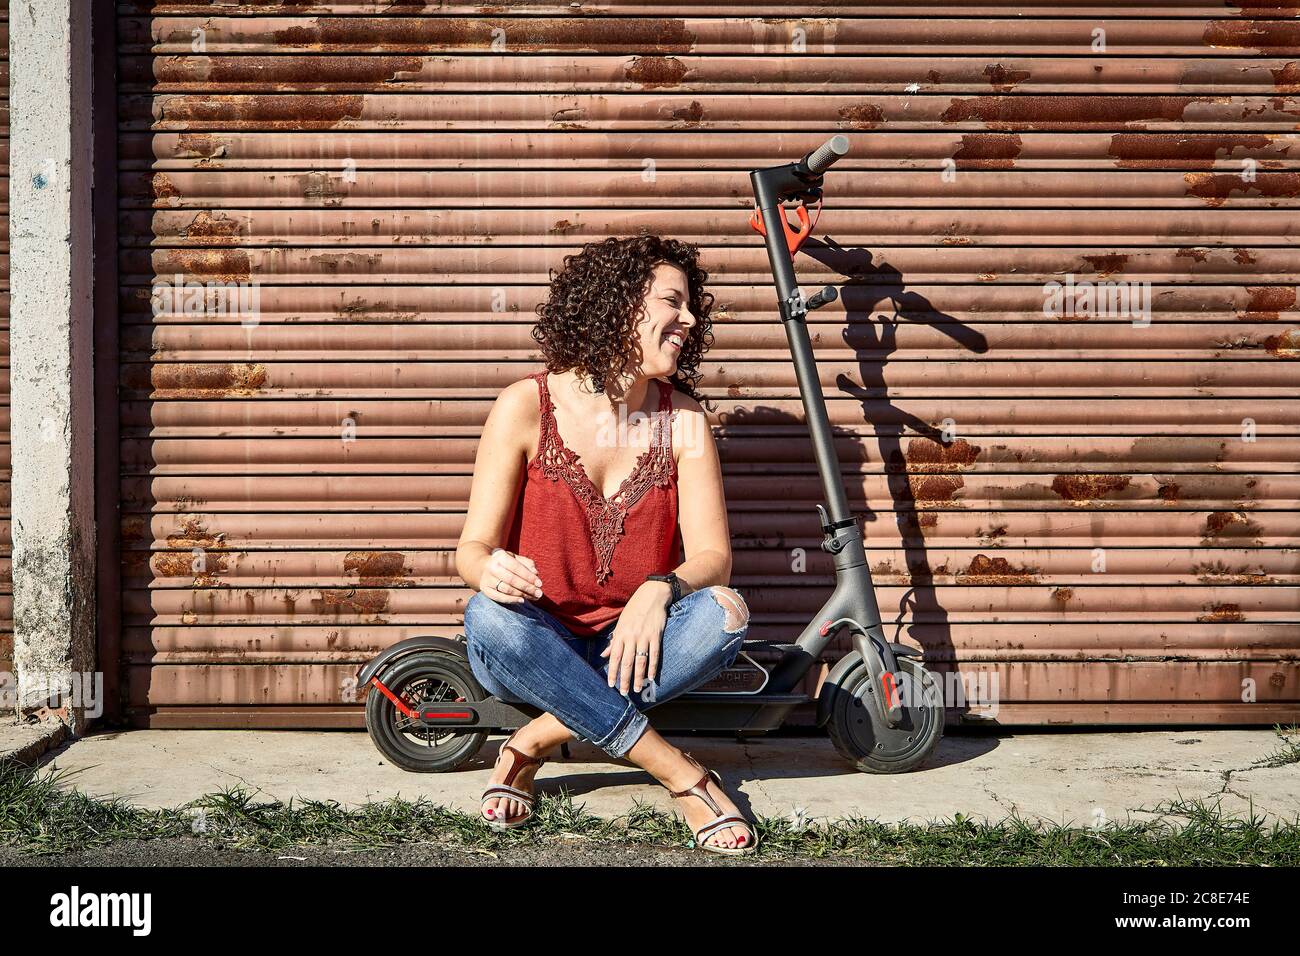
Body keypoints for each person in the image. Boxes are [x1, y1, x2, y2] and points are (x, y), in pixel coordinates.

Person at [455, 235, 758, 855]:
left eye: (691, 306)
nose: (691, 319)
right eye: (673, 302)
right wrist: (490, 570)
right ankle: (679, 773)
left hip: (635, 646)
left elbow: (713, 557)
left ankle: (531, 744)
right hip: (534, 642)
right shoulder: (524, 405)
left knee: (725, 613)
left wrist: (660, 589)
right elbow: (472, 549)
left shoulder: (685, 421)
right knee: (487, 617)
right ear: (620, 306)